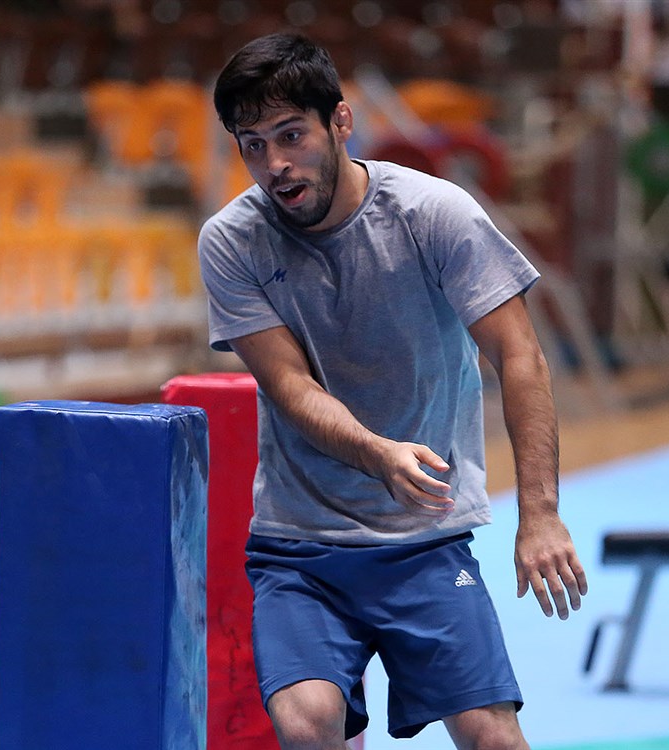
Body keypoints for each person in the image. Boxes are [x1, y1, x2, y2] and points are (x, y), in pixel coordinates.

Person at [197, 34, 587, 748]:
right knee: (307, 721)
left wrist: (540, 514)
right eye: (253, 146)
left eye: (291, 135)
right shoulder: (232, 241)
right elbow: (289, 385)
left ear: (341, 122)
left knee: (492, 736)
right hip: (301, 547)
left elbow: (519, 355)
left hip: (425, 540)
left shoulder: (433, 213)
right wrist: (379, 454)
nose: (275, 164)